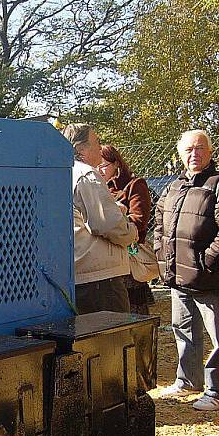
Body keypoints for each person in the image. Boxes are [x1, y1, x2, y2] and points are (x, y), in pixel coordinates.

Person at [155, 130, 219, 411]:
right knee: (183, 329)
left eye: (200, 148)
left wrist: (208, 261)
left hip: (207, 279)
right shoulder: (174, 187)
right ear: (180, 154)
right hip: (177, 277)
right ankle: (187, 380)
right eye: (188, 150)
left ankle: (217, 390)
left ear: (209, 152)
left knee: (218, 337)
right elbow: (160, 221)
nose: (194, 154)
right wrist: (161, 250)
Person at [63, 124, 138, 314]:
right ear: (81, 149)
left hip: (76, 273)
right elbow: (107, 224)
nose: (100, 147)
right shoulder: (86, 174)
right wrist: (131, 232)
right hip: (100, 279)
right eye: (96, 142)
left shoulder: (61, 171)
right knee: (113, 340)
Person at [98, 145, 155, 314]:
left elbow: (139, 222)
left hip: (129, 261)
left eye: (104, 165)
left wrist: (116, 218)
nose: (100, 170)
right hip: (105, 262)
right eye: (97, 166)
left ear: (116, 164)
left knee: (134, 315)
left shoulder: (135, 184)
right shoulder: (96, 187)